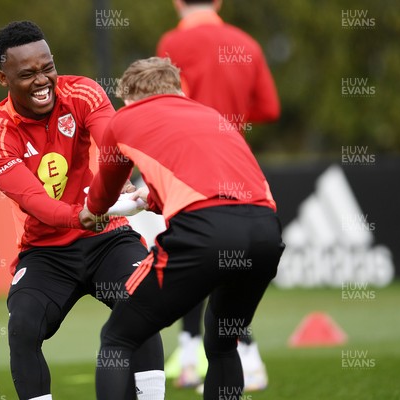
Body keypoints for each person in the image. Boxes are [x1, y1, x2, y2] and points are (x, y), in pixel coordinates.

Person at [0, 21, 165, 400]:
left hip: (106, 238)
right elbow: (34, 201)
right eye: (27, 74)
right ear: (3, 77)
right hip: (46, 250)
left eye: (47, 67)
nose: (43, 80)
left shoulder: (83, 92)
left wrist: (115, 183)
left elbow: (114, 146)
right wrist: (80, 215)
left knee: (141, 300)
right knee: (23, 328)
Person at [84, 57, 284, 400]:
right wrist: (154, 197)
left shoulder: (124, 119)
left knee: (118, 338)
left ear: (129, 97)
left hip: (206, 230)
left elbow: (103, 192)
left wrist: (91, 212)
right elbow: (211, 182)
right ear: (176, 89)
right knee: (222, 341)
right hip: (265, 230)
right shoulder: (210, 114)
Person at [156, 0, 280, 390]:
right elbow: (269, 108)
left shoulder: (174, 42)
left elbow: (167, 103)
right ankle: (203, 356)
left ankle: (218, 357)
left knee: (190, 257)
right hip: (238, 166)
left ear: (177, 2)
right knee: (217, 264)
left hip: (192, 166)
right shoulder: (245, 42)